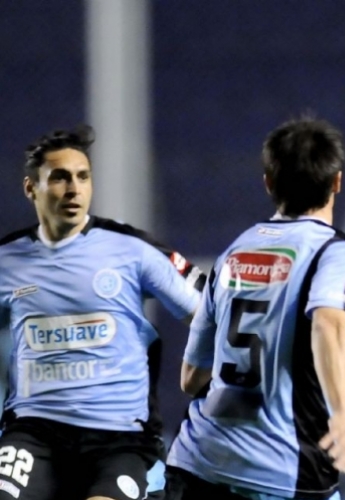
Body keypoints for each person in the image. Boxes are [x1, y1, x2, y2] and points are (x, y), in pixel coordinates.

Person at [165, 116, 345, 500]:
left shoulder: (233, 252)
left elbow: (191, 377)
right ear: (337, 181)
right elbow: (328, 323)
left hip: (196, 463)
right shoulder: (338, 253)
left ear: (269, 183)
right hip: (281, 471)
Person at [0, 125, 204, 500]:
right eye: (59, 178)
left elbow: (209, 315)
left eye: (82, 177)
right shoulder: (7, 259)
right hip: (34, 433)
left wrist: (202, 379)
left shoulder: (132, 250)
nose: (74, 189)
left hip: (119, 438)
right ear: (31, 188)